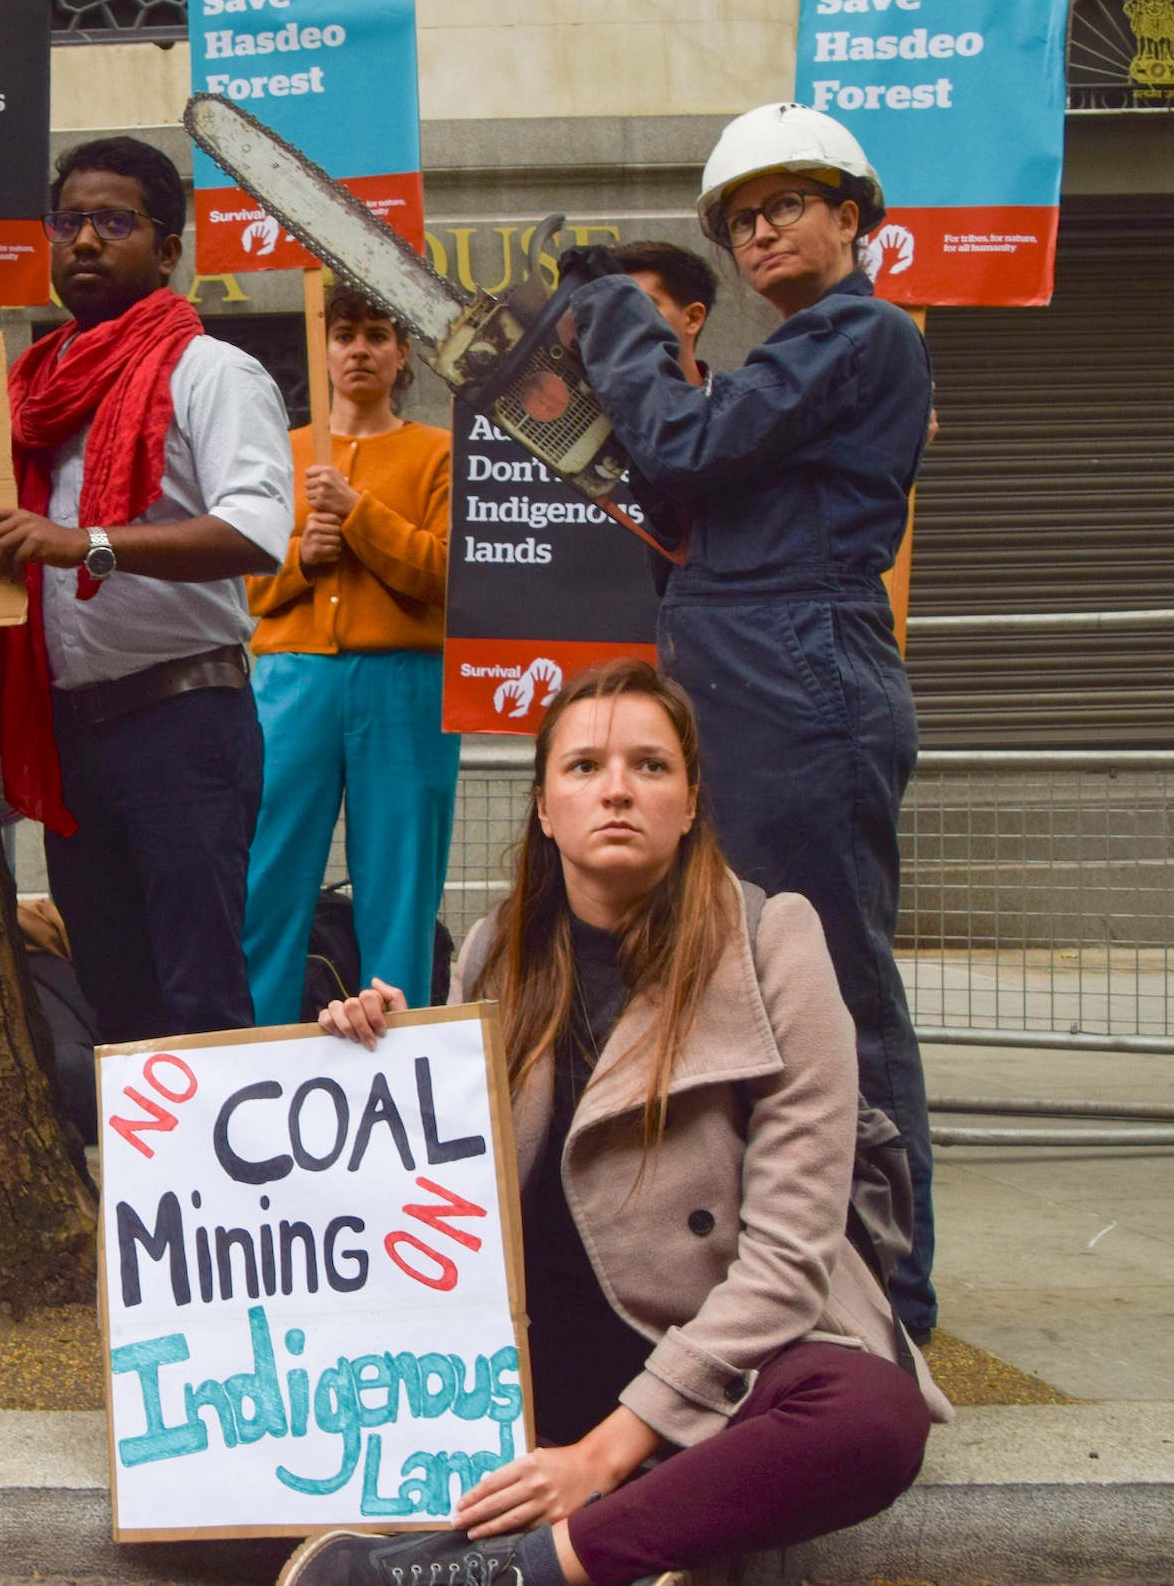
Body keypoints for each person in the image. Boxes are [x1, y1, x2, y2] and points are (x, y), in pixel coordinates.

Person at [291, 658, 946, 1586]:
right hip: (550, 1356)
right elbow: (445, 1209)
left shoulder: (775, 940)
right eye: (584, 767)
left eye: (650, 765)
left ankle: (531, 1565)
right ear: (544, 807)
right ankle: (621, 1540)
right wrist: (378, 1060)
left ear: (689, 804)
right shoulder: (493, 952)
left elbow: (792, 1255)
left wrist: (599, 1455)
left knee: (872, 1418)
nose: (617, 790)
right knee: (283, 1447)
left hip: (729, 1350)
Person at [553, 103, 938, 1338]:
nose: (763, 229)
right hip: (745, 661)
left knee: (833, 984)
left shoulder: (857, 332)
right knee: (754, 976)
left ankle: (887, 1281)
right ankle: (783, 1251)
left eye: (787, 204)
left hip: (796, 668)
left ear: (851, 216)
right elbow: (682, 470)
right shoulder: (806, 355)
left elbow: (683, 436)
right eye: (742, 216)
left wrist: (614, 311)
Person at [0, 137, 293, 1044]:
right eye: (67, 220)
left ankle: (225, 1191)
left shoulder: (212, 373)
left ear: (168, 250)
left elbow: (257, 532)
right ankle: (135, 1190)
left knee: (200, 996)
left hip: (184, 725)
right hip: (73, 733)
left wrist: (88, 544)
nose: (84, 240)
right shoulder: (28, 393)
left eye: (114, 222)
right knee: (116, 999)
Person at [239, 288, 454, 1026]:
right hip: (291, 676)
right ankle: (255, 1042)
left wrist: (360, 516)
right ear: (324, 351)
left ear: (403, 355)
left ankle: (398, 1048)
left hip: (406, 682)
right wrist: (303, 557)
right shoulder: (283, 452)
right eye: (344, 335)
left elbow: (450, 575)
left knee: (400, 875)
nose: (359, 348)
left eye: (377, 334)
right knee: (266, 867)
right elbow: (245, 583)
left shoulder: (438, 453)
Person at [607, 241, 717, 386]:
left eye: (638, 306)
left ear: (692, 318)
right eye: (611, 310)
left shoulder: (742, 405)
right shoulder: (581, 406)